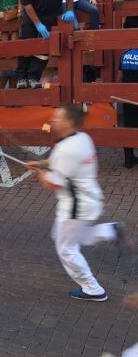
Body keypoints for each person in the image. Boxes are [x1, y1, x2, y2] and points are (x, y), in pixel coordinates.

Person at [25, 104, 135, 302]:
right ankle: (112, 231)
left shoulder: (66, 149)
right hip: (89, 201)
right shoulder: (82, 138)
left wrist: (41, 175)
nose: (53, 120)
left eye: (57, 117)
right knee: (72, 237)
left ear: (68, 122)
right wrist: (41, 164)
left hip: (75, 207)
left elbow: (54, 182)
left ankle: (93, 289)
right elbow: (60, 163)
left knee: (66, 249)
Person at [16, 0, 75, 90]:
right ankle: (21, 77)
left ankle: (33, 78)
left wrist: (70, 10)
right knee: (25, 42)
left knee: (45, 46)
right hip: (32, 15)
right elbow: (27, 5)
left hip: (52, 13)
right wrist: (37, 24)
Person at [120, 48, 138, 169]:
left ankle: (128, 160)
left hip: (127, 97)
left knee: (128, 126)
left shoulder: (125, 54)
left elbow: (119, 76)